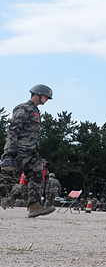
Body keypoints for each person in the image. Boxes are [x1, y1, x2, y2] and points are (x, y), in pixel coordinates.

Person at [2, 85, 56, 217]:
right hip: (20, 149)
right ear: (38, 95)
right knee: (8, 180)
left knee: (38, 175)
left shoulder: (35, 110)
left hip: (31, 151)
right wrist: (10, 150)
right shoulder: (24, 108)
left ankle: (34, 206)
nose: (47, 100)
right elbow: (13, 129)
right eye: (46, 97)